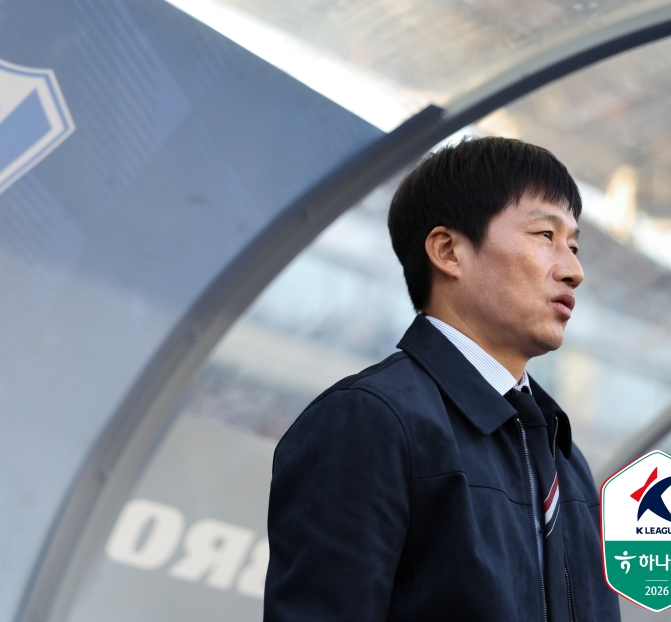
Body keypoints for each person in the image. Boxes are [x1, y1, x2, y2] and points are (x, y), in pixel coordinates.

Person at [264, 137, 620, 622]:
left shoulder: (564, 457)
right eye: (545, 235)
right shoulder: (371, 420)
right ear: (448, 251)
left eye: (573, 246)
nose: (574, 270)